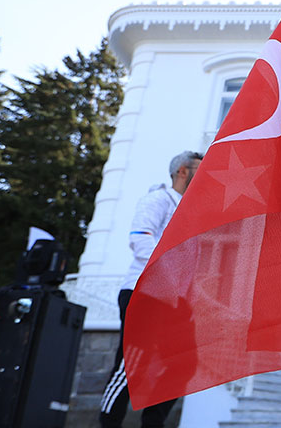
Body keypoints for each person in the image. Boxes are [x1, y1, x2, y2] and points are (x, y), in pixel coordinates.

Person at [100, 150, 202, 428]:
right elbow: (140, 238)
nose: (204, 176)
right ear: (183, 171)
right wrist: (169, 272)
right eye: (199, 170)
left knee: (183, 363)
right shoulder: (158, 199)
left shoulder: (191, 212)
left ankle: (153, 423)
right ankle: (108, 424)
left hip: (175, 300)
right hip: (145, 293)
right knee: (131, 365)